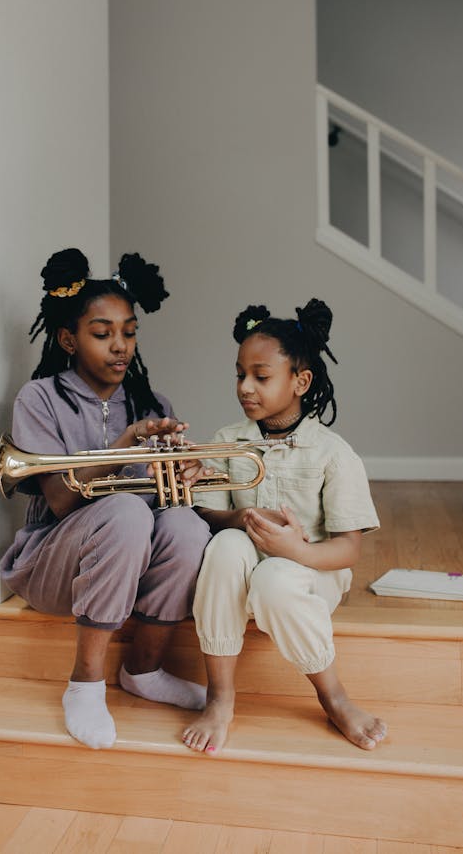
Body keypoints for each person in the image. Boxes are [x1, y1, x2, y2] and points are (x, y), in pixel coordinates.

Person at [0, 247, 212, 750]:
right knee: (123, 510)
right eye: (103, 334)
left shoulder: (152, 403)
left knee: (187, 526)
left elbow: (167, 504)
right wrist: (125, 445)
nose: (120, 346)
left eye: (129, 332)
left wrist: (188, 476)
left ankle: (144, 670)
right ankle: (86, 684)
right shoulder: (40, 398)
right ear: (69, 339)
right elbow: (60, 500)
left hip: (128, 568)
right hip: (53, 564)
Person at [183, 299, 388, 755]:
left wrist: (298, 552)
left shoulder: (333, 453)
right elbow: (209, 516)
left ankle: (333, 696)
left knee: (275, 578)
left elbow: (348, 549)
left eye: (261, 376)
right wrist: (239, 518)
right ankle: (219, 697)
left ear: (301, 381)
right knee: (225, 546)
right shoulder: (226, 441)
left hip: (311, 572)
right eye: (240, 374)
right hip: (244, 569)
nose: (245, 387)